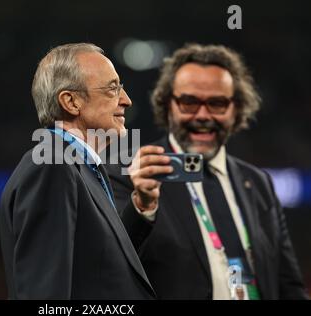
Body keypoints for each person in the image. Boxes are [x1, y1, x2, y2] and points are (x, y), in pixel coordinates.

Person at [106, 43, 308, 299]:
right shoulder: (134, 175)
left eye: (217, 103)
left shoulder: (258, 183)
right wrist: (142, 208)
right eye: (189, 102)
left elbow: (288, 285)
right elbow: (109, 269)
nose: (203, 115)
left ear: (237, 109)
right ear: (168, 106)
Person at [0, 43, 165, 299]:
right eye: (112, 88)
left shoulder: (79, 168)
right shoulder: (52, 167)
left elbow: (101, 267)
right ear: (71, 101)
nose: (126, 100)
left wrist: (141, 208)